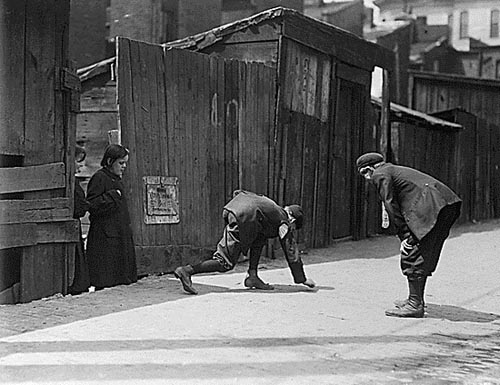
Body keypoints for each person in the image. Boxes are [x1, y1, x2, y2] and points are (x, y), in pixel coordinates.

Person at [356, 152, 462, 318]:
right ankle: (415, 299)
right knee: (424, 252)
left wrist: (406, 236)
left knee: (412, 251)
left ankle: (415, 304)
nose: (367, 179)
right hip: (446, 204)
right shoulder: (392, 170)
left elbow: (390, 204)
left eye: (364, 173)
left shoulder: (380, 174)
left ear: (370, 169)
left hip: (431, 206)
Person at [174, 190, 316, 295]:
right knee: (225, 263)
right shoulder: (282, 219)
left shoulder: (272, 209)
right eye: (293, 228)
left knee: (260, 238)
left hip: (236, 209)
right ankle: (187, 271)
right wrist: (301, 279)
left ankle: (252, 276)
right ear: (292, 220)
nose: (291, 229)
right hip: (245, 216)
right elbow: (290, 249)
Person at [86, 144, 137, 289]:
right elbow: (92, 204)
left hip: (118, 235)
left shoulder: (116, 179)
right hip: (105, 238)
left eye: (125, 163)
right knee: (106, 279)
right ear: (109, 161)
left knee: (119, 280)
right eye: (121, 163)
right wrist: (113, 196)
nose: (124, 167)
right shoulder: (99, 178)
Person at [68, 145, 90, 295]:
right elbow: (79, 207)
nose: (79, 167)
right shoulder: (71, 183)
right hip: (72, 225)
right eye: (78, 162)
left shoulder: (73, 181)